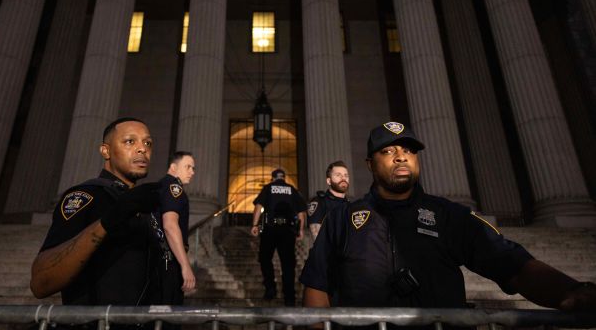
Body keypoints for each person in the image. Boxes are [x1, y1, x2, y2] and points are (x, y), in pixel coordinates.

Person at [301, 121, 596, 314]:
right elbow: (317, 285)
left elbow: (513, 265)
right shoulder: (343, 219)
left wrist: (569, 291)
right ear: (369, 163)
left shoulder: (450, 216)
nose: (401, 156)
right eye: (388, 151)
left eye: (408, 150)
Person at [30, 117, 159, 306]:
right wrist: (107, 222)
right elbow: (41, 283)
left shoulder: (144, 205)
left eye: (147, 143)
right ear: (105, 151)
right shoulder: (86, 196)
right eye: (130, 141)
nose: (142, 149)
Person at [251, 168, 307, 306]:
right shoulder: (291, 189)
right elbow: (301, 212)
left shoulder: (268, 188)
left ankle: (270, 288)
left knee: (265, 258)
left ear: (273, 178)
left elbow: (258, 207)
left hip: (270, 229)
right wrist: (300, 230)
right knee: (288, 264)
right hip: (288, 231)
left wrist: (254, 225)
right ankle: (289, 296)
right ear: (284, 178)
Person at [150, 151, 196, 310]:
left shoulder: (161, 186)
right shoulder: (173, 187)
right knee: (168, 315)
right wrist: (185, 265)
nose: (192, 172)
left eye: (193, 168)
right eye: (188, 167)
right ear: (173, 167)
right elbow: (170, 225)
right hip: (168, 263)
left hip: (158, 262)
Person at [307, 160, 350, 240]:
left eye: (346, 175)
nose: (343, 178)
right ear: (329, 181)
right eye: (338, 175)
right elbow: (317, 237)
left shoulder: (350, 204)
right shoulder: (320, 202)